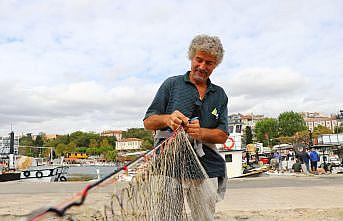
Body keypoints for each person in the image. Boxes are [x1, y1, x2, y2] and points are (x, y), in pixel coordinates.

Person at [143, 34, 228, 221]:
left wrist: (201, 133)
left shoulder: (220, 95)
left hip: (206, 168)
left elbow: (222, 135)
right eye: (199, 60)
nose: (202, 66)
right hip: (168, 167)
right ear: (192, 57)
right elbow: (148, 121)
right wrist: (167, 119)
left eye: (209, 63)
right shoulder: (171, 85)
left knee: (204, 217)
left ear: (215, 65)